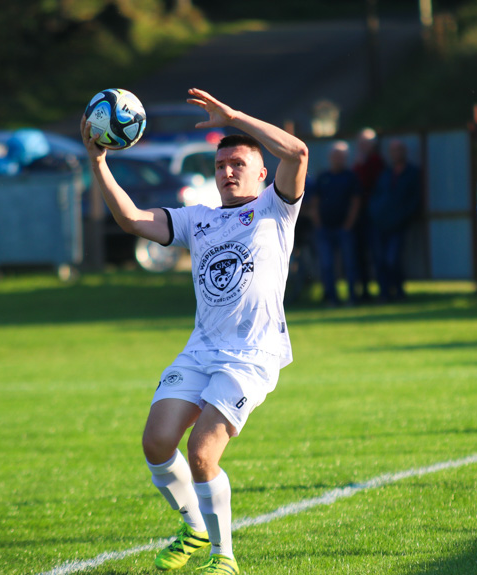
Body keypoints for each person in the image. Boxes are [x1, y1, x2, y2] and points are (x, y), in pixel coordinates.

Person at [81, 88, 308, 574]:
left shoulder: (276, 209)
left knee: (202, 451)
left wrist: (233, 116)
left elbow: (298, 151)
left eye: (238, 163)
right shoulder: (197, 220)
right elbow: (131, 218)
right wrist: (98, 160)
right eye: (221, 163)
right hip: (200, 351)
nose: (227, 171)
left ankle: (224, 560)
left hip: (251, 356)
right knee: (156, 443)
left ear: (261, 173)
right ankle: (193, 526)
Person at [368, 139, 421, 302]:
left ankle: (398, 291)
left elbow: (415, 199)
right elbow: (376, 194)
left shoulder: (412, 173)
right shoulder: (386, 173)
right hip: (380, 223)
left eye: (398, 150)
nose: (395, 154)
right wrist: (375, 211)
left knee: (393, 259)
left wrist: (403, 216)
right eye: (392, 151)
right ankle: (384, 293)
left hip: (398, 224)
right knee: (380, 259)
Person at [311, 141, 362, 306]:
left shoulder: (351, 177)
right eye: (335, 156)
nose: (337, 159)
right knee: (326, 265)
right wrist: (318, 222)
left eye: (341, 156)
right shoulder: (323, 177)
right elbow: (315, 202)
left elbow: (356, 202)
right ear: (329, 157)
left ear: (346, 158)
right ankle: (331, 298)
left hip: (344, 229)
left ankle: (352, 297)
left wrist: (348, 224)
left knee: (349, 264)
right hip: (324, 229)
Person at [352, 128, 385, 301]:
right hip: (359, 217)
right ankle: (363, 291)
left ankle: (383, 292)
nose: (363, 146)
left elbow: (367, 184)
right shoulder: (358, 162)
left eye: (367, 143)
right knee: (360, 256)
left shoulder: (376, 162)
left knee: (377, 255)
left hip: (374, 216)